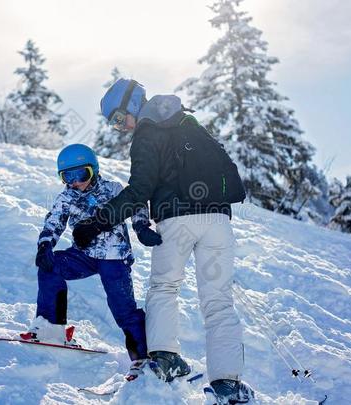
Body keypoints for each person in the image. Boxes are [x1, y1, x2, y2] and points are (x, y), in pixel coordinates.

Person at [73, 79, 254, 403]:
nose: (120, 128)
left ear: (131, 104)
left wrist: (96, 223)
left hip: (177, 219)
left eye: (118, 119)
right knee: (218, 302)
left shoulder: (147, 132)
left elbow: (139, 190)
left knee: (164, 287)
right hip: (218, 221)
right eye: (113, 125)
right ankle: (227, 385)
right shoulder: (187, 122)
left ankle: (165, 357)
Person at [24, 143, 161, 380]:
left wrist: (141, 226)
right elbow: (54, 221)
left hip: (114, 257)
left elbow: (137, 202)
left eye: (81, 174)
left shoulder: (113, 189)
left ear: (94, 170)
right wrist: (45, 244)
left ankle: (141, 357)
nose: (76, 182)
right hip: (83, 256)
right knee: (49, 267)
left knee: (123, 308)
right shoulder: (66, 197)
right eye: (68, 176)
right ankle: (51, 327)